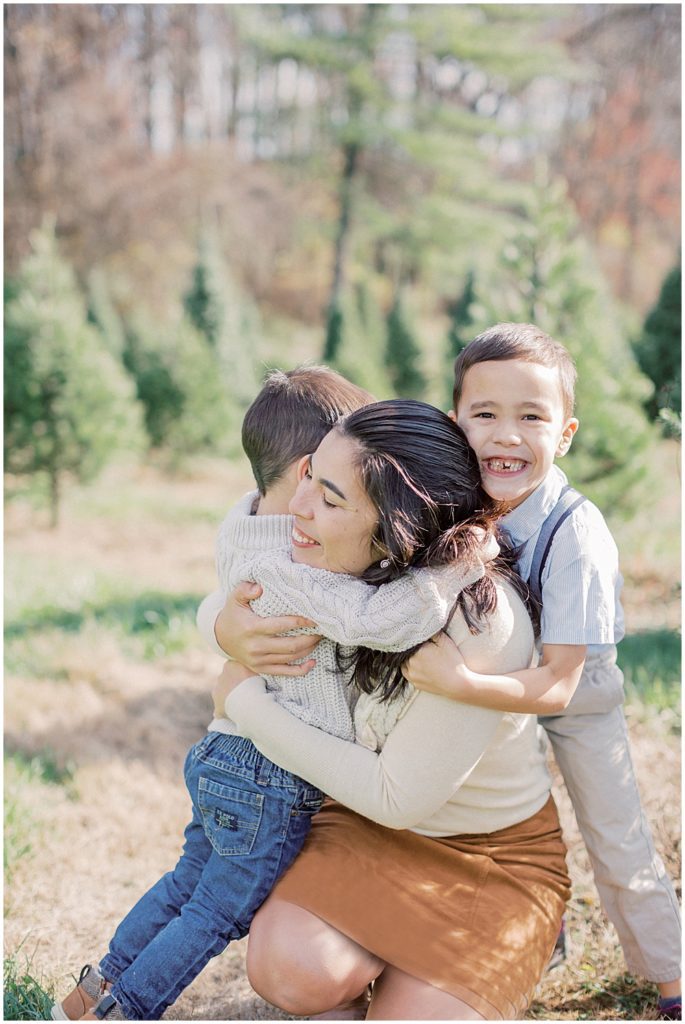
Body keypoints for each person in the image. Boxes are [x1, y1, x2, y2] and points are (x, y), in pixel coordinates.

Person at [50, 372, 493, 1023]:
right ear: (305, 470)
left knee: (182, 889)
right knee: (211, 913)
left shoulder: (244, 526)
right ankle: (126, 1011)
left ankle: (81, 999)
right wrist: (459, 564)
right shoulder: (298, 561)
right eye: (334, 476)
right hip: (267, 777)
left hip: (222, 751)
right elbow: (381, 621)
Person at [213, 398, 571, 1021]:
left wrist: (242, 703)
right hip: (362, 829)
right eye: (308, 480)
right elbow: (243, 588)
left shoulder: (477, 619)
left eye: (329, 499)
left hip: (488, 858)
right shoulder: (346, 570)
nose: (298, 509)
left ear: (396, 527)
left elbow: (397, 795)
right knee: (290, 970)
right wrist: (224, 629)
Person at [401, 323, 682, 1020]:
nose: (505, 435)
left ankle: (671, 977)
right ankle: (530, 925)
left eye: (531, 417)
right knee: (499, 822)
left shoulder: (574, 535)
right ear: (454, 421)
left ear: (565, 434)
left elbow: (557, 682)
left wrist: (461, 685)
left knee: (615, 836)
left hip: (571, 695)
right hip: (494, 692)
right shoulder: (453, 504)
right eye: (485, 414)